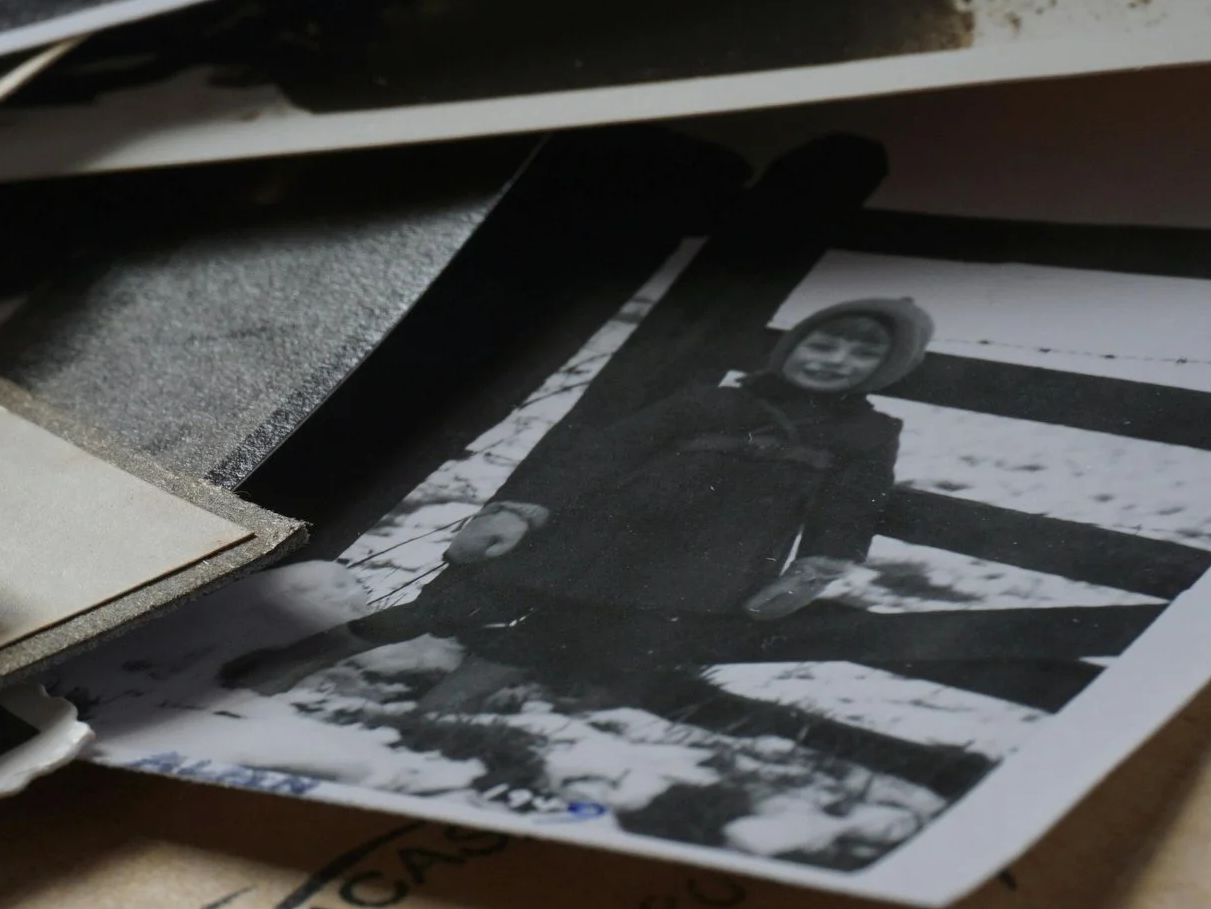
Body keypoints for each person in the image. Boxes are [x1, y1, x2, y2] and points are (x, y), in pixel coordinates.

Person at [225, 297, 934, 715]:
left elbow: (856, 498)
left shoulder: (870, 433)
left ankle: (450, 707)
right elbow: (604, 454)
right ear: (796, 346)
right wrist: (526, 509)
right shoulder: (715, 400)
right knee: (462, 602)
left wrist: (823, 560)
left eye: (858, 354)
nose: (833, 359)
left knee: (569, 631)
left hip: (701, 562)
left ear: (883, 371)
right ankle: (313, 651)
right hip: (605, 529)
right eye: (824, 341)